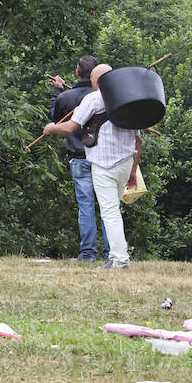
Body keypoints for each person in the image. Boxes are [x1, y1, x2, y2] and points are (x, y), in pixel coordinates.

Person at [40, 64, 141, 269]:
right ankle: (115, 256)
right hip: (125, 162)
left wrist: (51, 128)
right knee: (113, 210)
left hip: (104, 164)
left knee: (109, 211)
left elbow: (71, 127)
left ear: (96, 82)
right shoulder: (126, 97)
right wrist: (132, 172)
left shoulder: (94, 99)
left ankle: (119, 260)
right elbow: (138, 141)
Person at [49, 55, 106, 262]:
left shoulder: (66, 98)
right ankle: (111, 253)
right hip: (101, 156)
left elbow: (55, 117)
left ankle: (88, 254)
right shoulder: (105, 96)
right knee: (107, 206)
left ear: (76, 73)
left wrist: (58, 91)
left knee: (86, 205)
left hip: (79, 157)